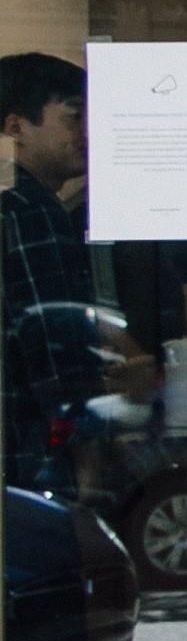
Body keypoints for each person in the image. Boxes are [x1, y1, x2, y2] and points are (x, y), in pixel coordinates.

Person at [0, 51, 103, 495]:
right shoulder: (27, 209)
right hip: (34, 461)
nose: (86, 133)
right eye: (72, 118)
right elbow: (55, 351)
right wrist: (88, 466)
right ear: (16, 127)